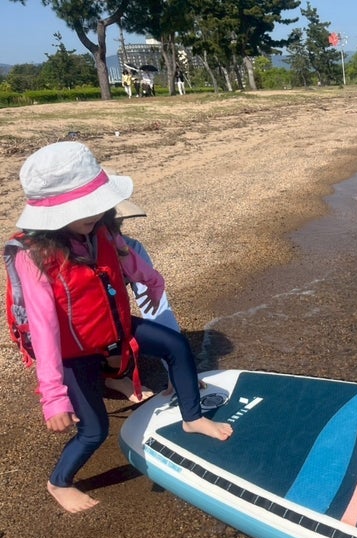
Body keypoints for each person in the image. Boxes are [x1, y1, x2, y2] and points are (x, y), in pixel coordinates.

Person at [6, 141, 233, 513]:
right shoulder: (35, 257)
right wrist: (53, 396)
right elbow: (44, 328)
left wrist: (152, 280)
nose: (95, 214)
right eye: (85, 209)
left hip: (114, 331)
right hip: (71, 353)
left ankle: (193, 419)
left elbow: (127, 263)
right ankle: (58, 481)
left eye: (97, 205)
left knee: (175, 345)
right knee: (94, 431)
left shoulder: (101, 230)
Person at [99, 201, 182, 401]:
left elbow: (156, 308)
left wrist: (176, 368)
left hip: (107, 319)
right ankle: (103, 376)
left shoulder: (131, 248)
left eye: (115, 222)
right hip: (70, 330)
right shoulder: (61, 258)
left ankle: (114, 374)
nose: (113, 229)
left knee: (121, 340)